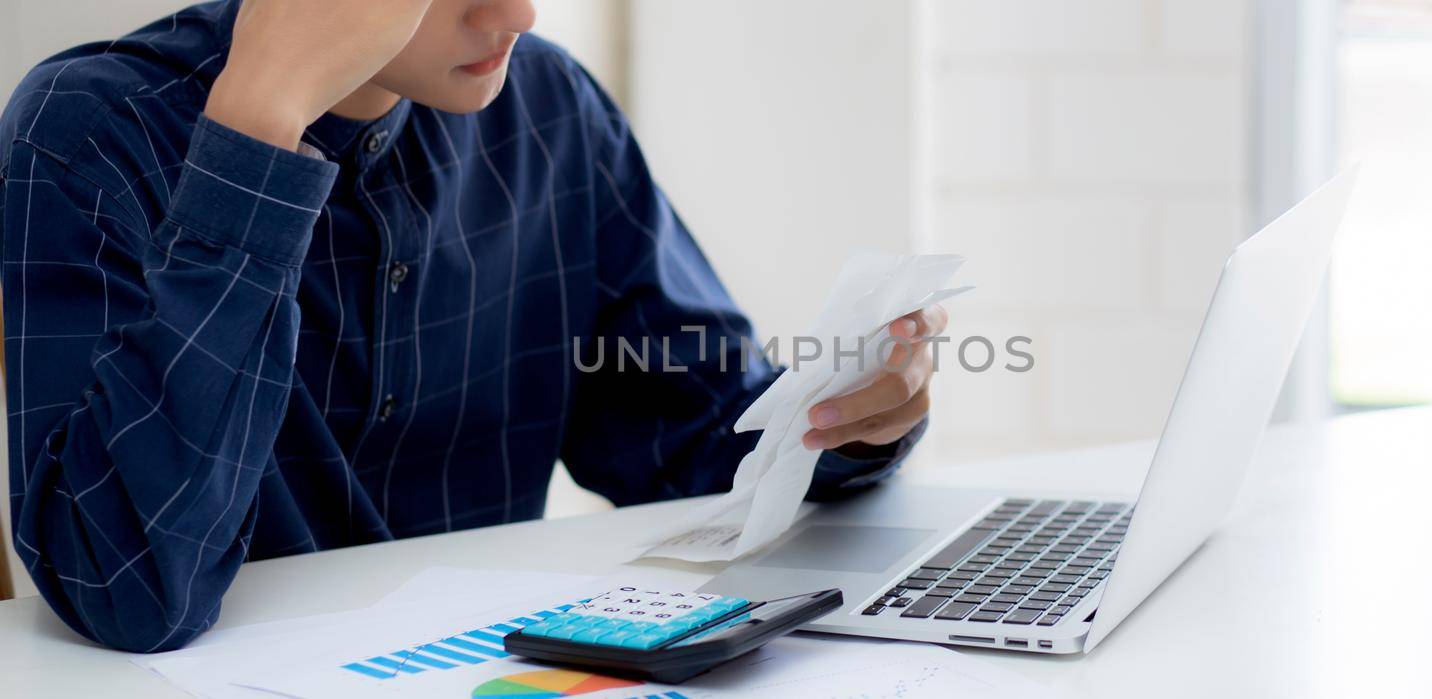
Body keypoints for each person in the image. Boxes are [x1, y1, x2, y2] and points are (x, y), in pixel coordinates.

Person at [0, 0, 945, 652]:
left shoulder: (548, 110)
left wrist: (844, 419)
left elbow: (696, 442)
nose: (520, 13)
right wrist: (260, 124)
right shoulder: (92, 133)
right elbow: (121, 588)